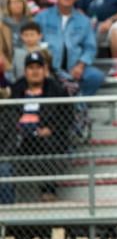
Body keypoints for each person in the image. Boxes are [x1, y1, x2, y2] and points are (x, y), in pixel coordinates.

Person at [11, 51, 73, 202]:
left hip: (46, 136)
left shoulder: (56, 88)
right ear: (25, 71)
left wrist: (50, 128)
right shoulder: (17, 88)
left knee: (49, 145)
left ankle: (48, 191)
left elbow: (67, 115)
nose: (35, 71)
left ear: (45, 70)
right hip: (20, 137)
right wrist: (16, 128)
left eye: (38, 67)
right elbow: (8, 114)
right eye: (31, 68)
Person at [35, 0, 104, 96]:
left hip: (74, 67)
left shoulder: (84, 21)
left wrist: (81, 66)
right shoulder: (42, 17)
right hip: (49, 67)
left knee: (96, 77)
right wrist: (43, 66)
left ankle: (78, 103)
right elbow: (34, 42)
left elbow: (90, 48)